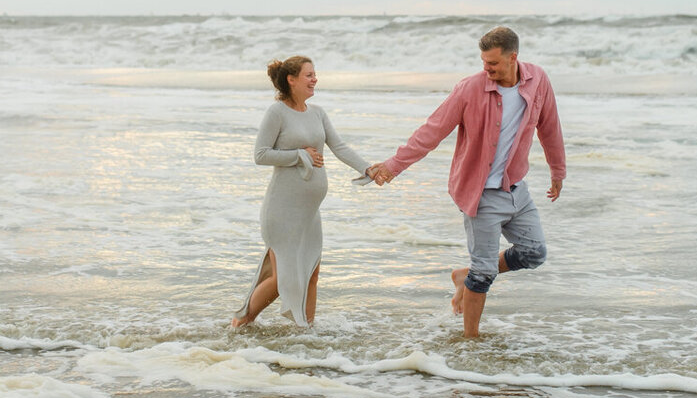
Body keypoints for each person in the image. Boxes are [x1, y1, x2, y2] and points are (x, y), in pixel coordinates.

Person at [368, 26, 566, 338]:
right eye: (484, 62)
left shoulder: (538, 80)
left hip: (516, 189)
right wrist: (394, 166)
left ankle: (465, 276)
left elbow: (550, 127)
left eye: (493, 64)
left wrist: (558, 171)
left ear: (514, 58)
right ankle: (471, 340)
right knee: (485, 273)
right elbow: (432, 131)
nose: (486, 69)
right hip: (481, 194)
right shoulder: (470, 89)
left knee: (534, 253)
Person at [232, 55, 379, 327]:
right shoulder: (276, 112)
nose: (315, 79)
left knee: (311, 273)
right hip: (282, 210)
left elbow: (340, 147)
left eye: (315, 74)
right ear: (292, 80)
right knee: (282, 279)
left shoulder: (318, 113)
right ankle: (240, 323)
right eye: (309, 75)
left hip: (309, 213)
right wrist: (299, 154)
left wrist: (368, 169)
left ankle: (305, 332)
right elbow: (260, 155)